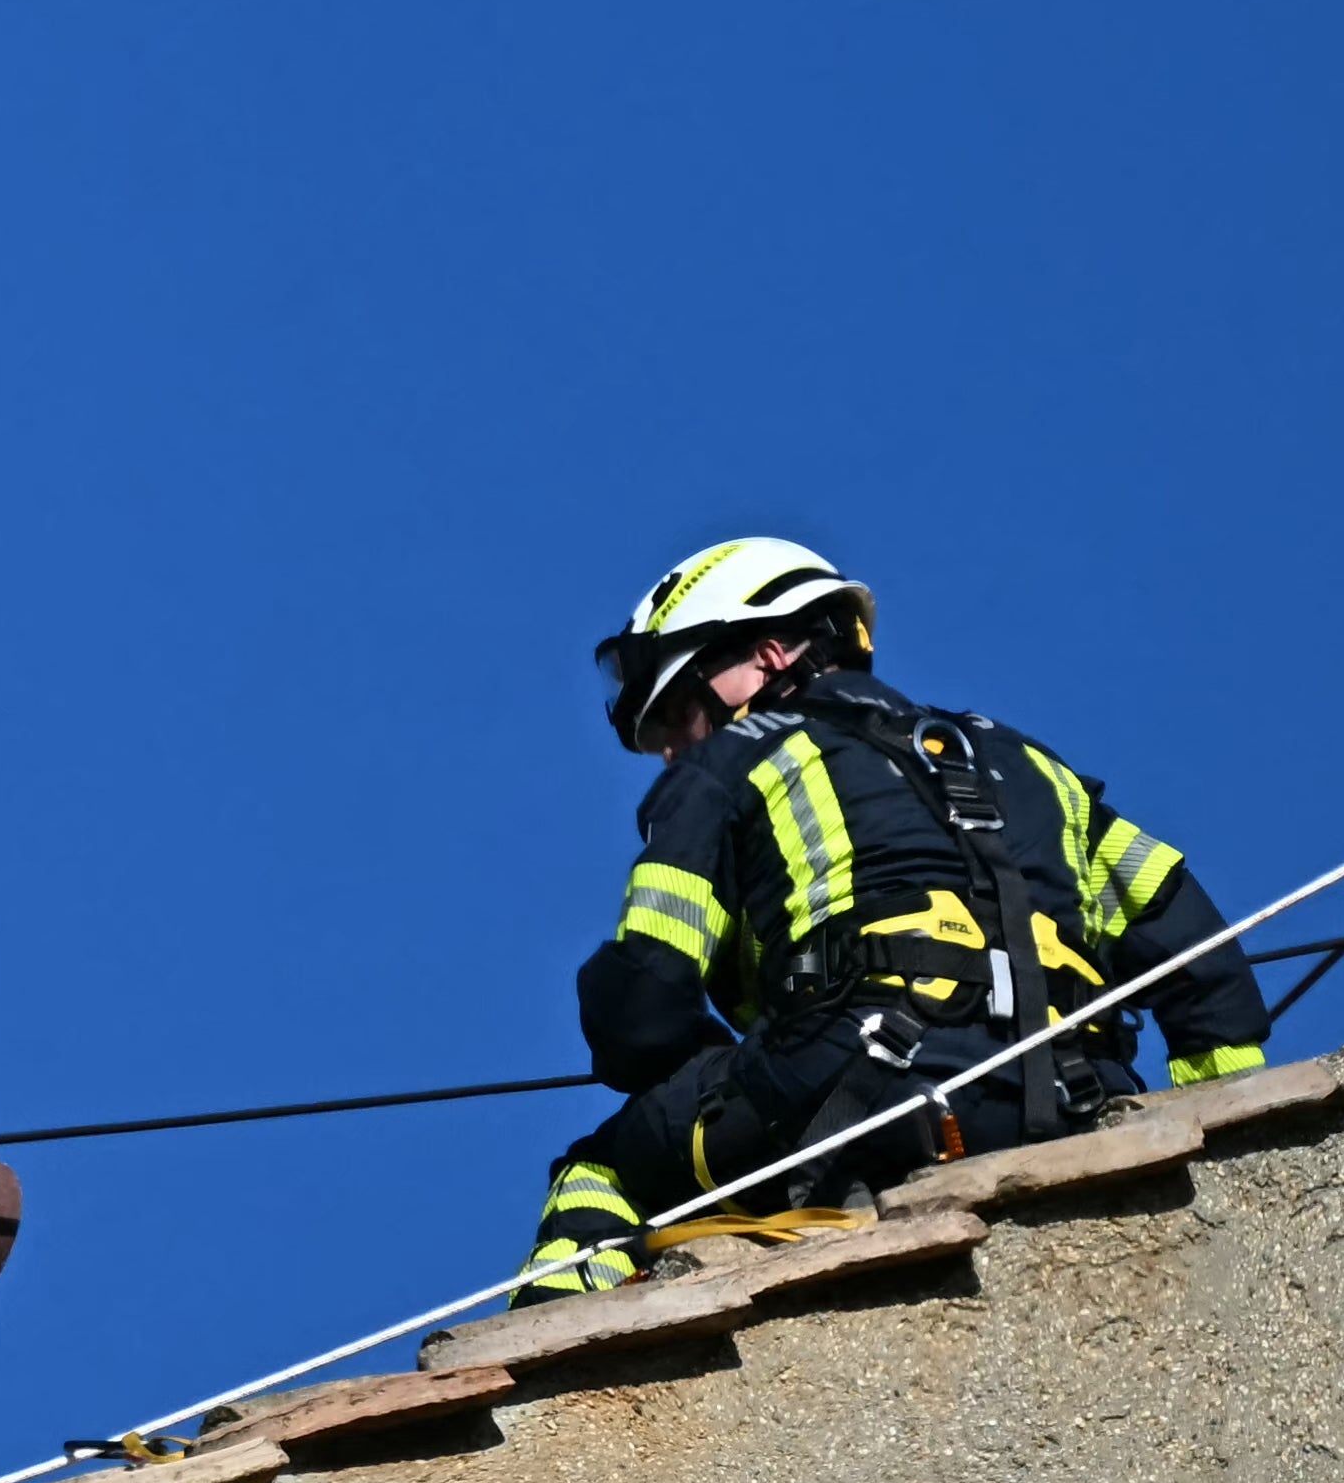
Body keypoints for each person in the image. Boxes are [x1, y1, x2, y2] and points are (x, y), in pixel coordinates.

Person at [520, 539, 1269, 1301]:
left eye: (680, 710)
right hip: (1081, 1100)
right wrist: (1222, 1149)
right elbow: (1203, 963)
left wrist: (721, 1062)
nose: (674, 748)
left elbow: (641, 1014)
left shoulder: (724, 769)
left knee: (602, 1175)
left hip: (861, 1093)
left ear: (773, 653)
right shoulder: (1027, 763)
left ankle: (554, 1387)